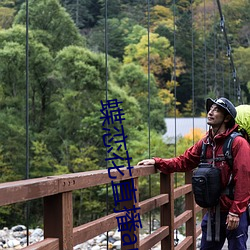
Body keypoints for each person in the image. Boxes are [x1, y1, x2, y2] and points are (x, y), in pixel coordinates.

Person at [137, 97, 250, 250]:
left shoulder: (238, 143)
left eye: (216, 110)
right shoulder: (205, 143)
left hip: (233, 211)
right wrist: (157, 162)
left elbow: (244, 178)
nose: (210, 112)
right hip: (212, 211)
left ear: (227, 118)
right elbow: (184, 161)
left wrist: (236, 212)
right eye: (210, 109)